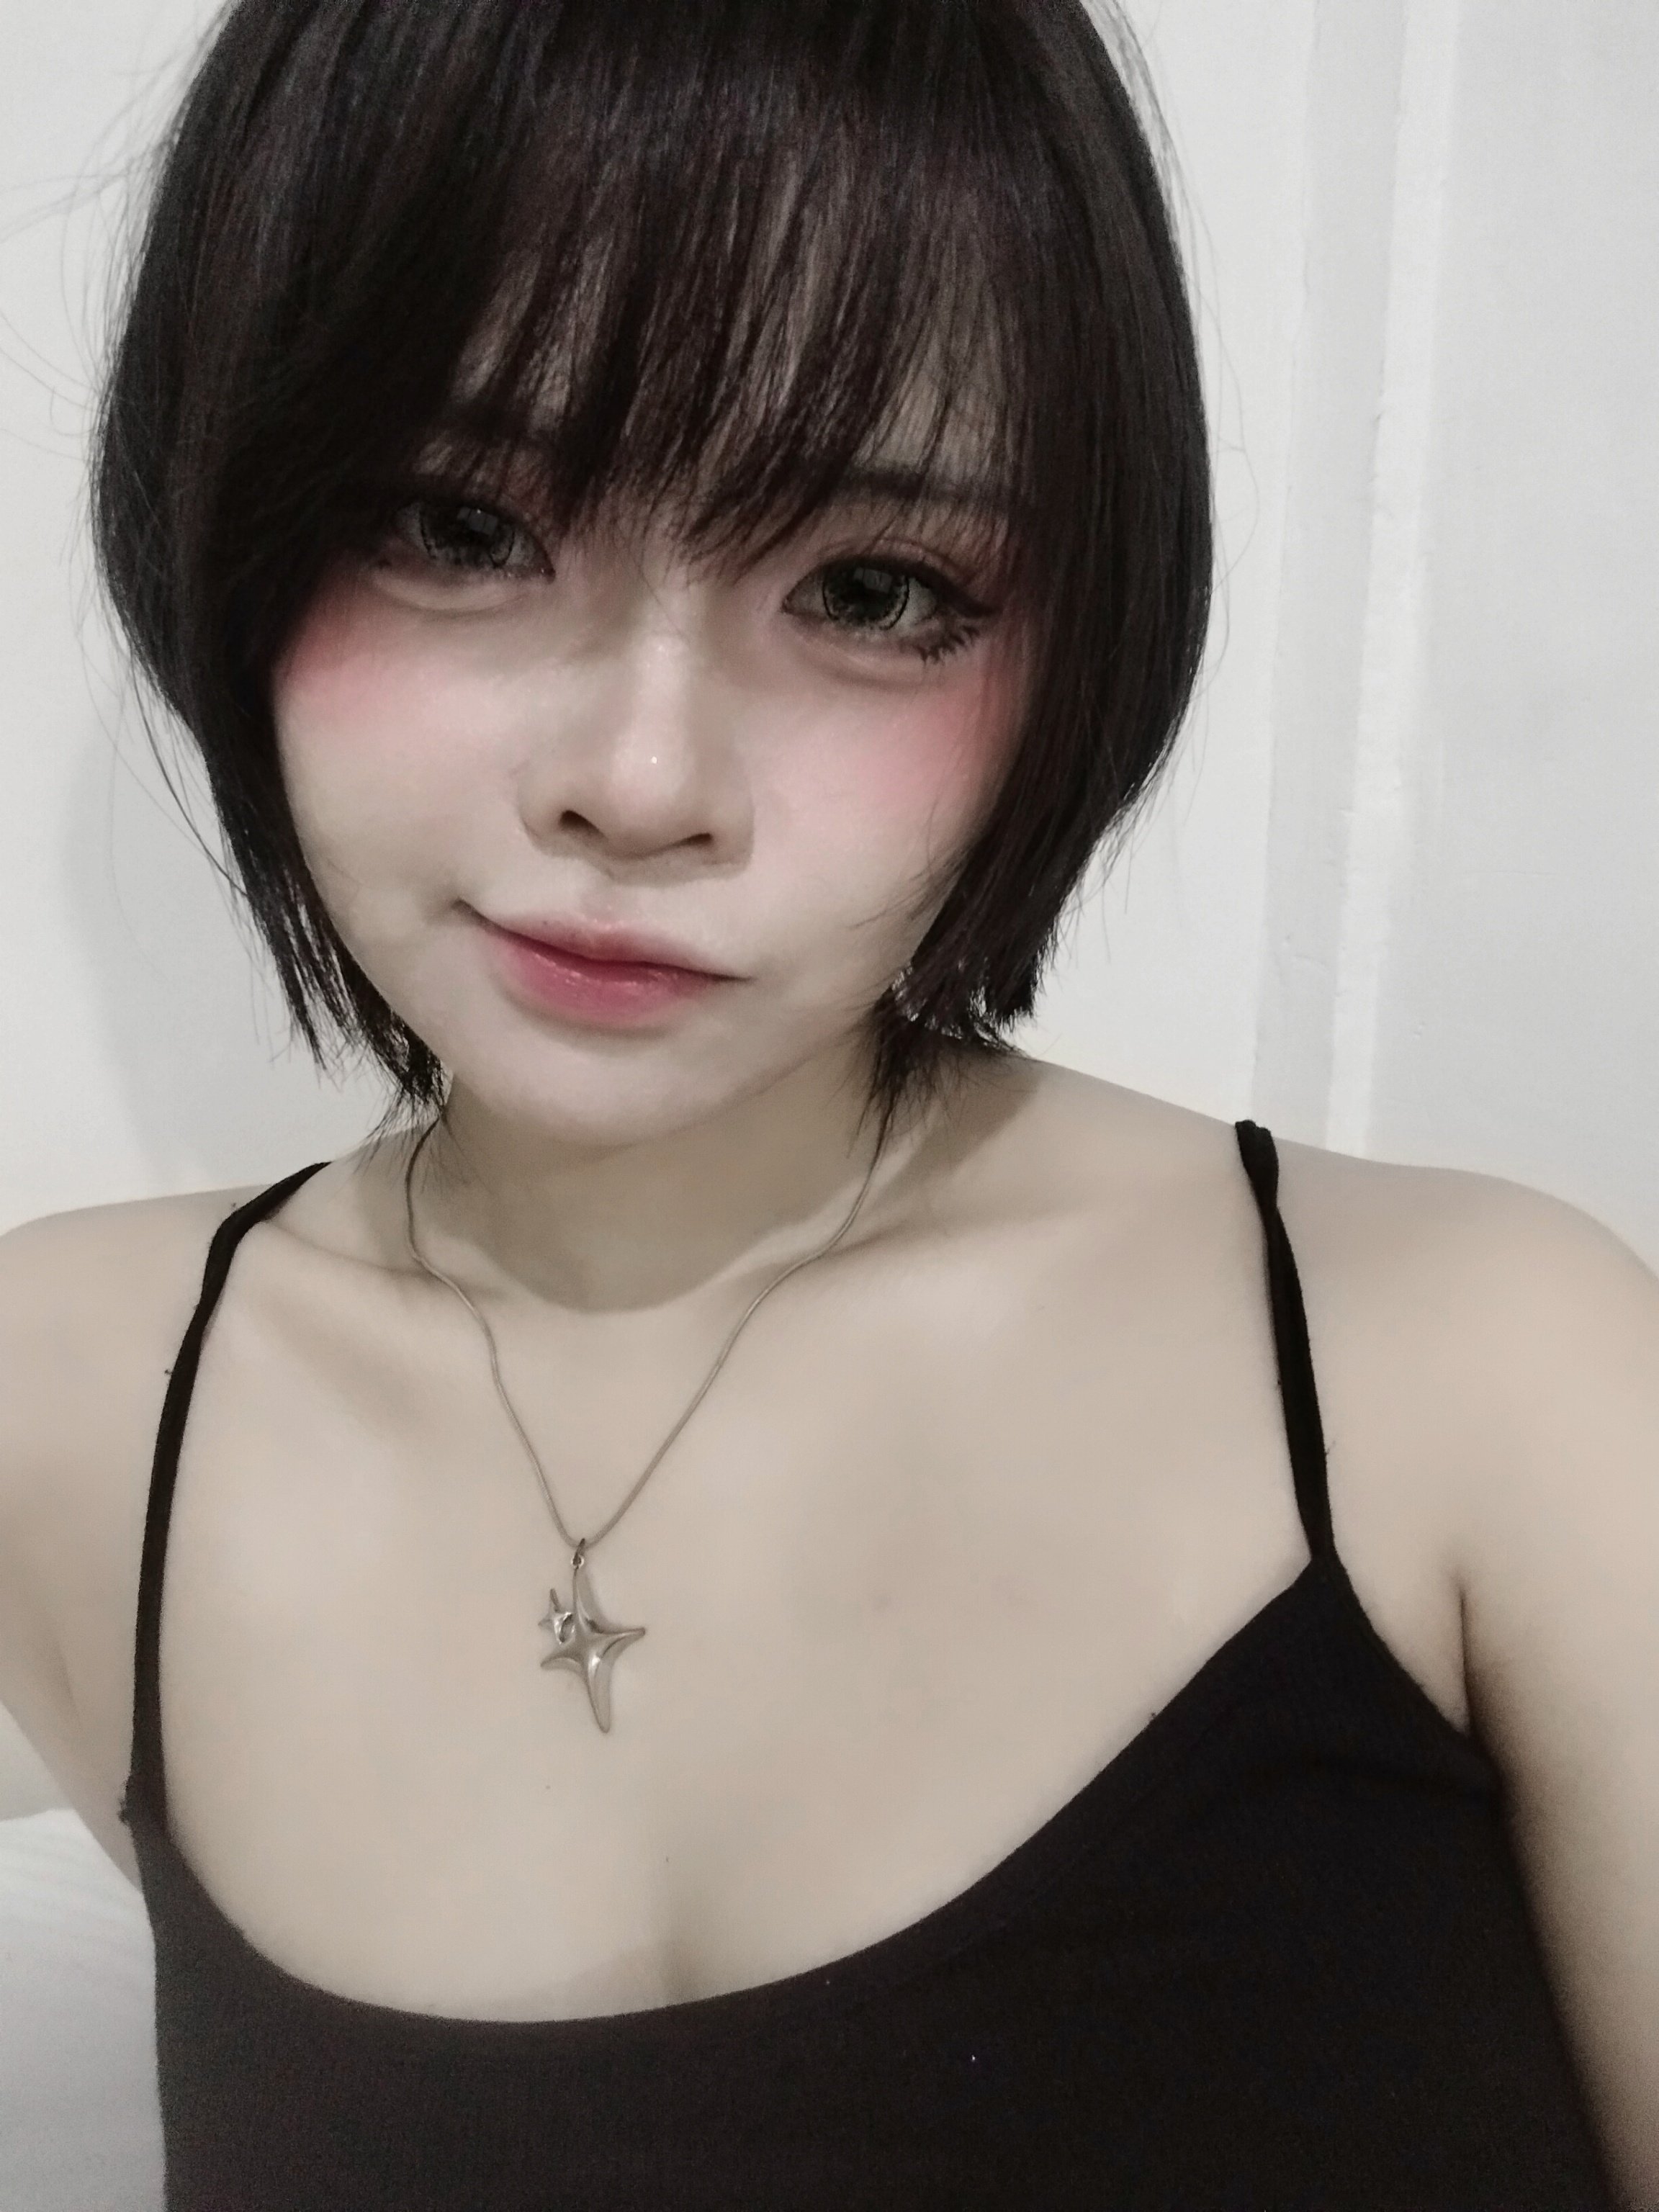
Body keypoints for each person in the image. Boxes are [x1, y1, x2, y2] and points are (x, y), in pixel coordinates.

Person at [0, 0, 1654, 2203]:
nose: (641, 781)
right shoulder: (69, 1402)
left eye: (873, 591)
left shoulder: (1482, 1376)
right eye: (456, 525)